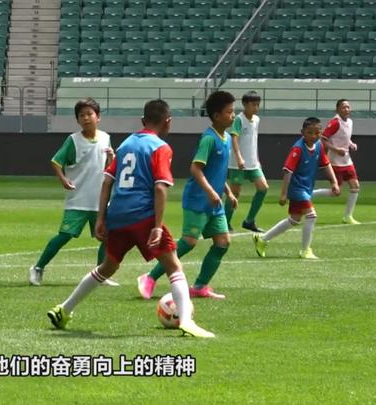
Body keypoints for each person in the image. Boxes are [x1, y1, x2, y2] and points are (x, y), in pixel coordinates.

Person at [47, 99, 215, 338]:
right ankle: (187, 320)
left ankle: (64, 309)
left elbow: (107, 181)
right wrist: (157, 226)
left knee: (108, 266)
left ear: (142, 120)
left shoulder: (126, 144)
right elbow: (160, 187)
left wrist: (101, 218)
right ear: (168, 122)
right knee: (174, 266)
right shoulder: (160, 147)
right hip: (143, 215)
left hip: (117, 214)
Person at [137, 91, 238, 300]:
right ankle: (150, 277)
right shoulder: (209, 139)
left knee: (223, 242)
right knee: (189, 242)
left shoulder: (227, 138)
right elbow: (195, 169)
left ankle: (200, 286)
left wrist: (228, 192)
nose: (233, 115)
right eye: (229, 112)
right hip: (198, 200)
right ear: (216, 116)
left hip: (214, 202)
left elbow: (217, 172)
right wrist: (211, 192)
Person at [28, 98, 117, 286]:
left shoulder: (105, 138)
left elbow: (108, 168)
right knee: (65, 235)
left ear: (98, 117)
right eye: (81, 115)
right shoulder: (73, 140)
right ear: (77, 120)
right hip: (78, 199)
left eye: (90, 114)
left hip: (99, 200)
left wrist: (111, 158)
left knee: (108, 237)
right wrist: (63, 180)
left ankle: (100, 275)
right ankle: (38, 268)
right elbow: (56, 161)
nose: (86, 118)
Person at [253, 117, 340, 259]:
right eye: (310, 132)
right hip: (297, 189)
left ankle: (262, 239)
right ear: (302, 132)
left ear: (321, 133)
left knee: (294, 219)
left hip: (306, 188)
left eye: (317, 133)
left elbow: (326, 164)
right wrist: (283, 194)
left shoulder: (319, 146)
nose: (313, 136)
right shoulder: (298, 149)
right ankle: (305, 250)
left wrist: (334, 182)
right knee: (311, 215)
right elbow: (288, 172)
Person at [224, 90, 268, 233]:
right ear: (245, 104)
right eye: (253, 104)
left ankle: (249, 221)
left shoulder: (257, 119)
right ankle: (225, 222)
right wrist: (239, 157)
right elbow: (234, 138)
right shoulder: (239, 119)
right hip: (238, 164)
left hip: (253, 164)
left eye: (258, 104)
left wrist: (257, 159)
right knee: (234, 194)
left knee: (263, 188)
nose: (256, 107)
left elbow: (253, 141)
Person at [312, 99, 360, 224]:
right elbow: (323, 139)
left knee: (355, 186)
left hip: (347, 160)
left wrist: (351, 144)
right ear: (337, 109)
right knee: (335, 192)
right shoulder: (335, 123)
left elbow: (345, 137)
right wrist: (336, 149)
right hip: (335, 162)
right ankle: (308, 194)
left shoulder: (350, 122)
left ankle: (348, 216)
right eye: (343, 107)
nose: (346, 109)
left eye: (348, 107)